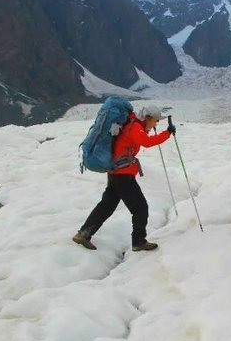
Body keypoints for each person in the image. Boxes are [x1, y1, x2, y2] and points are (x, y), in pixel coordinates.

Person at [73, 105, 176, 252]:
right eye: (155, 120)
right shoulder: (135, 127)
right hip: (123, 175)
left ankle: (83, 234)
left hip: (115, 173)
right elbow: (146, 142)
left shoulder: (132, 125)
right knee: (140, 208)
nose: (156, 124)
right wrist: (167, 133)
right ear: (148, 118)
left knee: (106, 206)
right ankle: (138, 242)